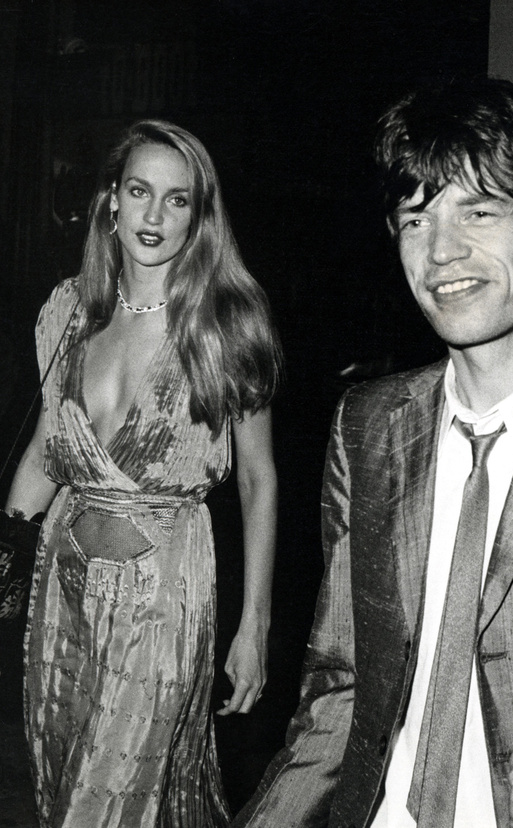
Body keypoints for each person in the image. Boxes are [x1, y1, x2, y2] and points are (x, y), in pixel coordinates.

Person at [233, 77, 513, 828]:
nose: (442, 251)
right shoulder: (368, 424)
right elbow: (340, 688)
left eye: (480, 211)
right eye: (416, 218)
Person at [5, 119, 282, 827]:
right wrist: (6, 550)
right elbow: (45, 452)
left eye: (177, 199)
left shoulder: (226, 324)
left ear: (199, 216)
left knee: (106, 802)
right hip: (60, 589)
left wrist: (254, 626)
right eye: (139, 191)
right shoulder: (69, 311)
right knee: (60, 783)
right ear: (111, 201)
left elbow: (258, 481)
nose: (154, 215)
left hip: (162, 596)